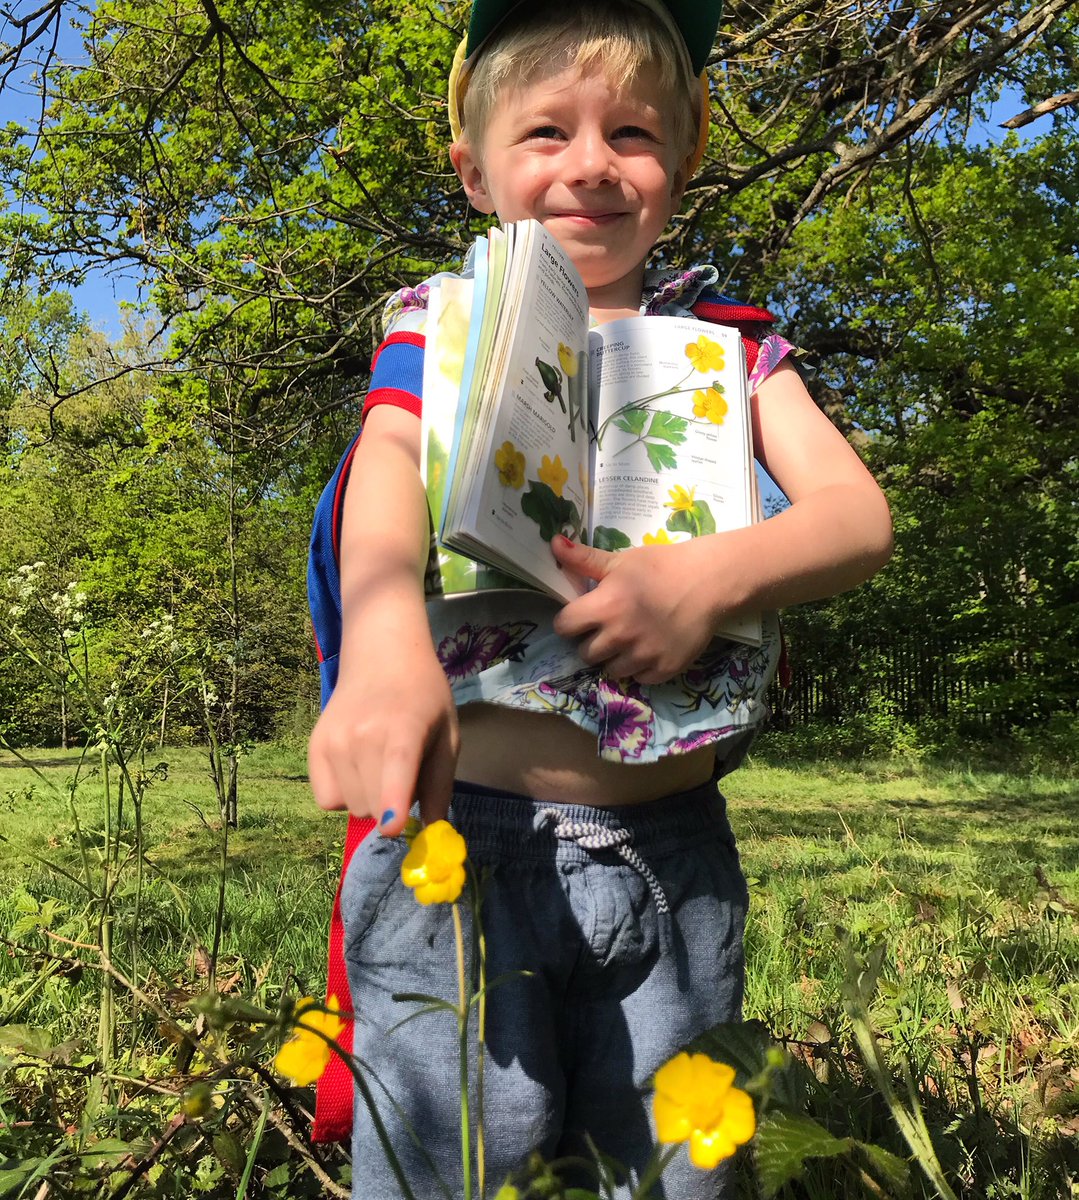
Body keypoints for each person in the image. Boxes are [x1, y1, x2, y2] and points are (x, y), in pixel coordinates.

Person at [306, 1, 893, 1196]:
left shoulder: (733, 352)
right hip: (461, 847)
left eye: (630, 131)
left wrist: (710, 570)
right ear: (472, 170)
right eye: (543, 134)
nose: (589, 164)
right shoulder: (441, 325)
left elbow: (855, 517)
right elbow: (381, 475)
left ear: (679, 162)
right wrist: (380, 639)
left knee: (666, 1171)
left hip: (671, 864)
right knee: (453, 1165)